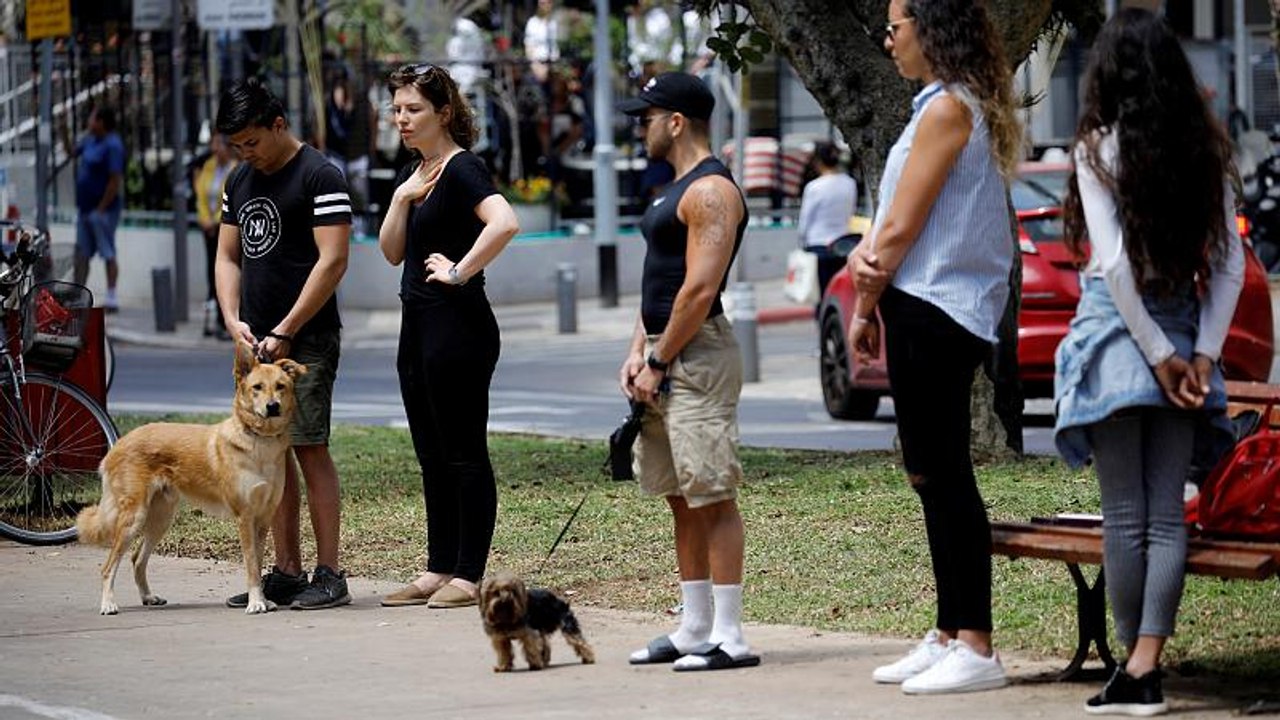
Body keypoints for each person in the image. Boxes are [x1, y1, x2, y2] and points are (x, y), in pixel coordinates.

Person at [1055, 10, 1244, 716]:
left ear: (1107, 74)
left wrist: (1160, 357)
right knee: (1166, 516)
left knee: (1123, 515)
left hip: (1115, 337)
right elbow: (1227, 267)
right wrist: (1197, 356)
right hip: (1181, 334)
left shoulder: (1097, 147)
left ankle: (1135, 672)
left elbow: (1110, 265)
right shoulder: (1207, 152)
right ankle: (1144, 665)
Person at [848, 0, 1022, 694]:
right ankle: (950, 630)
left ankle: (975, 643)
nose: (888, 40)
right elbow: (891, 221)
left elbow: (897, 228)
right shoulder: (938, 107)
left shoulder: (950, 109)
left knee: (944, 473)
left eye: (896, 26)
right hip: (922, 305)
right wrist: (869, 291)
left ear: (931, 30)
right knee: (927, 472)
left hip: (938, 308)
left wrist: (866, 291)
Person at [616, 72, 758, 672]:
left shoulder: (712, 192)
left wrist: (659, 358)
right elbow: (659, 282)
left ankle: (731, 635)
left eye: (645, 117)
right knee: (680, 494)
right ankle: (694, 626)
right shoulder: (671, 189)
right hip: (664, 350)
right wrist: (636, 350)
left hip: (695, 354)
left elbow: (699, 290)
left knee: (711, 493)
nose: (638, 128)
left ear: (675, 122)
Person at [377, 63, 519, 610]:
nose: (402, 119)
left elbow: (504, 222)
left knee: (463, 452)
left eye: (413, 109)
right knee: (430, 454)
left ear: (443, 112)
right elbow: (392, 254)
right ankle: (438, 567)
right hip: (416, 324)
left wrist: (460, 270)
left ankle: (468, 572)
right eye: (396, 110)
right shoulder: (418, 174)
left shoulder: (462, 169)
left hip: (458, 327)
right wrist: (401, 199)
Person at [214, 77, 353, 611]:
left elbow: (333, 260)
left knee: (308, 446)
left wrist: (288, 327)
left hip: (306, 339)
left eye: (252, 142)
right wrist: (233, 320)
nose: (246, 154)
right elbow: (228, 257)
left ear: (278, 125)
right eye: (237, 146)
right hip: (253, 341)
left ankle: (330, 572)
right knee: (268, 454)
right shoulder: (240, 180)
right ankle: (287, 570)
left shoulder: (320, 175)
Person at [73, 105, 126, 312]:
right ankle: (77, 293)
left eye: (93, 118)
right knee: (81, 253)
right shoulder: (89, 140)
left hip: (103, 209)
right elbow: (72, 152)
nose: (89, 122)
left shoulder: (113, 145)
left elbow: (114, 180)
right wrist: (62, 131)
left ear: (102, 122)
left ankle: (112, 295)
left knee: (107, 250)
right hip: (85, 208)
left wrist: (102, 208)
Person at [797, 141, 857, 302]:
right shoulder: (850, 183)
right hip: (843, 244)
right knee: (839, 295)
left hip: (818, 244)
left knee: (821, 296)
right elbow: (851, 211)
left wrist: (801, 242)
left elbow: (805, 220)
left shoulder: (814, 187)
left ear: (817, 161)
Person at [193, 133, 237, 339]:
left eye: (218, 145)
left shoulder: (234, 169)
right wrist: (204, 219)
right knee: (212, 272)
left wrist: (216, 221)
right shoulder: (209, 166)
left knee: (226, 270)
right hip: (208, 229)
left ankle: (226, 319)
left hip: (224, 227)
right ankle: (216, 319)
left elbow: (230, 200)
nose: (214, 149)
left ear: (227, 147)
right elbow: (201, 194)